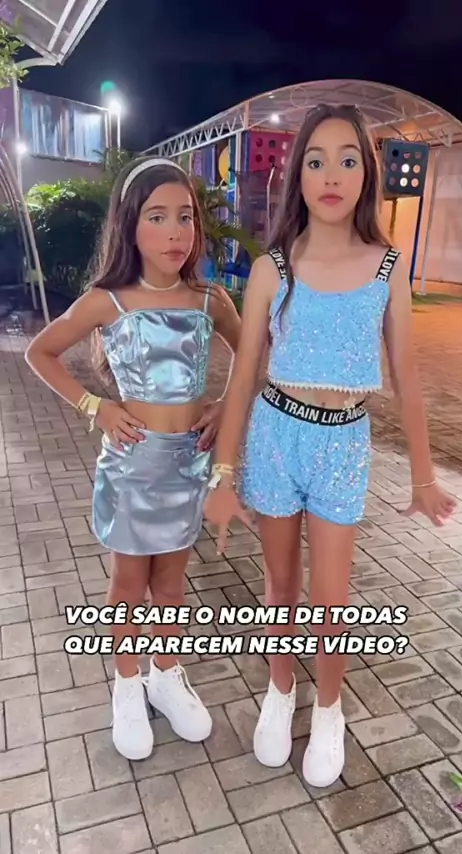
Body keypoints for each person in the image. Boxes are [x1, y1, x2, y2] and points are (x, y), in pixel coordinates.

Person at [204, 104, 456, 788]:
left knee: (330, 598)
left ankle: (331, 707)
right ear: (298, 175)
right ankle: (280, 689)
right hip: (276, 435)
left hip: (344, 444)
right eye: (316, 160)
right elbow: (243, 378)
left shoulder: (387, 268)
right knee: (279, 587)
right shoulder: (272, 269)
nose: (332, 175)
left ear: (368, 174)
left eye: (348, 159)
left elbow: (406, 379)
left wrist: (424, 477)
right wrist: (223, 476)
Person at [25, 156, 240, 761]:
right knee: (127, 584)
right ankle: (126, 683)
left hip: (187, 465)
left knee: (171, 583)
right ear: (130, 225)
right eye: (157, 217)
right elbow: (40, 353)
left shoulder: (209, 299)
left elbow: (255, 354)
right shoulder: (108, 301)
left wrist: (226, 406)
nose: (175, 232)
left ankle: (165, 675)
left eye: (186, 217)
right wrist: (94, 406)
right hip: (132, 467)